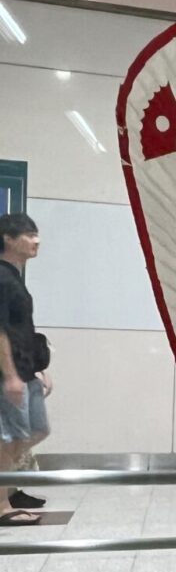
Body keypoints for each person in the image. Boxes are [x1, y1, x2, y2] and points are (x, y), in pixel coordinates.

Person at [0, 214, 51, 526]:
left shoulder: (14, 276)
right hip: (10, 373)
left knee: (37, 430)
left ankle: (9, 489)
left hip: (25, 369)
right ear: (7, 238)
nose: (36, 241)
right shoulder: (2, 277)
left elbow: (22, 329)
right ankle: (2, 505)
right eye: (29, 234)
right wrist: (10, 376)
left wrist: (38, 367)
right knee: (8, 439)